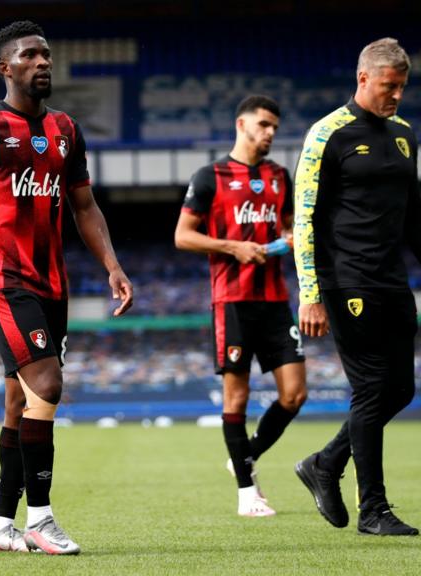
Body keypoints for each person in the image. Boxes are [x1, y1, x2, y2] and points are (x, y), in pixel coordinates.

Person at [0, 20, 133, 555]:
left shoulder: (66, 130)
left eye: (46, 54)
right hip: (2, 277)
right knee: (48, 384)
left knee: (18, 405)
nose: (42, 62)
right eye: (29, 56)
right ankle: (40, 518)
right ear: (5, 67)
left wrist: (112, 265)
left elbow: (85, 206)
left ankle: (1, 526)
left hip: (53, 283)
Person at [292, 38, 421, 536]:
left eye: (403, 88)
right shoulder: (327, 134)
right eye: (390, 86)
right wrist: (311, 292)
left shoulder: (406, 135)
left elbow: (414, 219)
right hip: (347, 280)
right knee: (371, 389)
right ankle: (374, 510)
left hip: (392, 281)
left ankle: (325, 463)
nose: (396, 96)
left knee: (401, 389)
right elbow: (304, 218)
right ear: (364, 78)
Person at [175, 95, 307, 517]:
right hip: (231, 301)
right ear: (242, 123)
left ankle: (243, 455)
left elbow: (289, 228)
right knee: (237, 398)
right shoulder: (210, 176)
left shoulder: (279, 176)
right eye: (264, 124)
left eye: (274, 127)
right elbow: (183, 235)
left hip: (275, 301)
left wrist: (287, 240)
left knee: (295, 394)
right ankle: (247, 494)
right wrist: (232, 246)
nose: (270, 133)